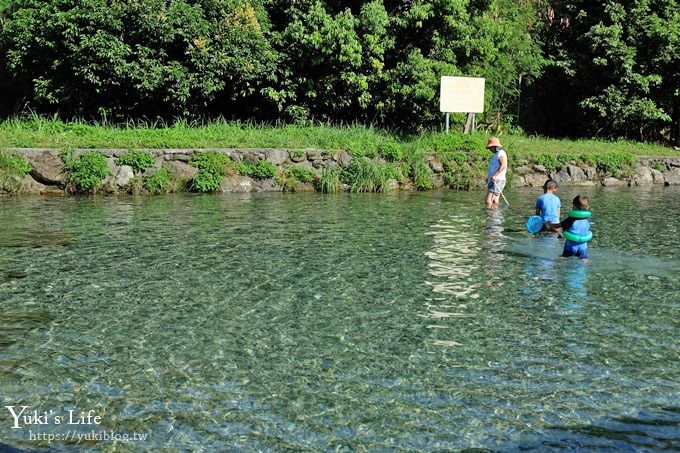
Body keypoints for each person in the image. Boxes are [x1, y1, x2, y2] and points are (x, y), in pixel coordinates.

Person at [485, 136, 508, 207]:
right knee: (495, 201)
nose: (490, 149)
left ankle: (491, 216)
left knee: (488, 201)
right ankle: (496, 216)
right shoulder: (496, 154)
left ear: (495, 146)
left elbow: (503, 165)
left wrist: (495, 175)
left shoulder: (501, 153)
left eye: (490, 148)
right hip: (495, 180)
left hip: (498, 180)